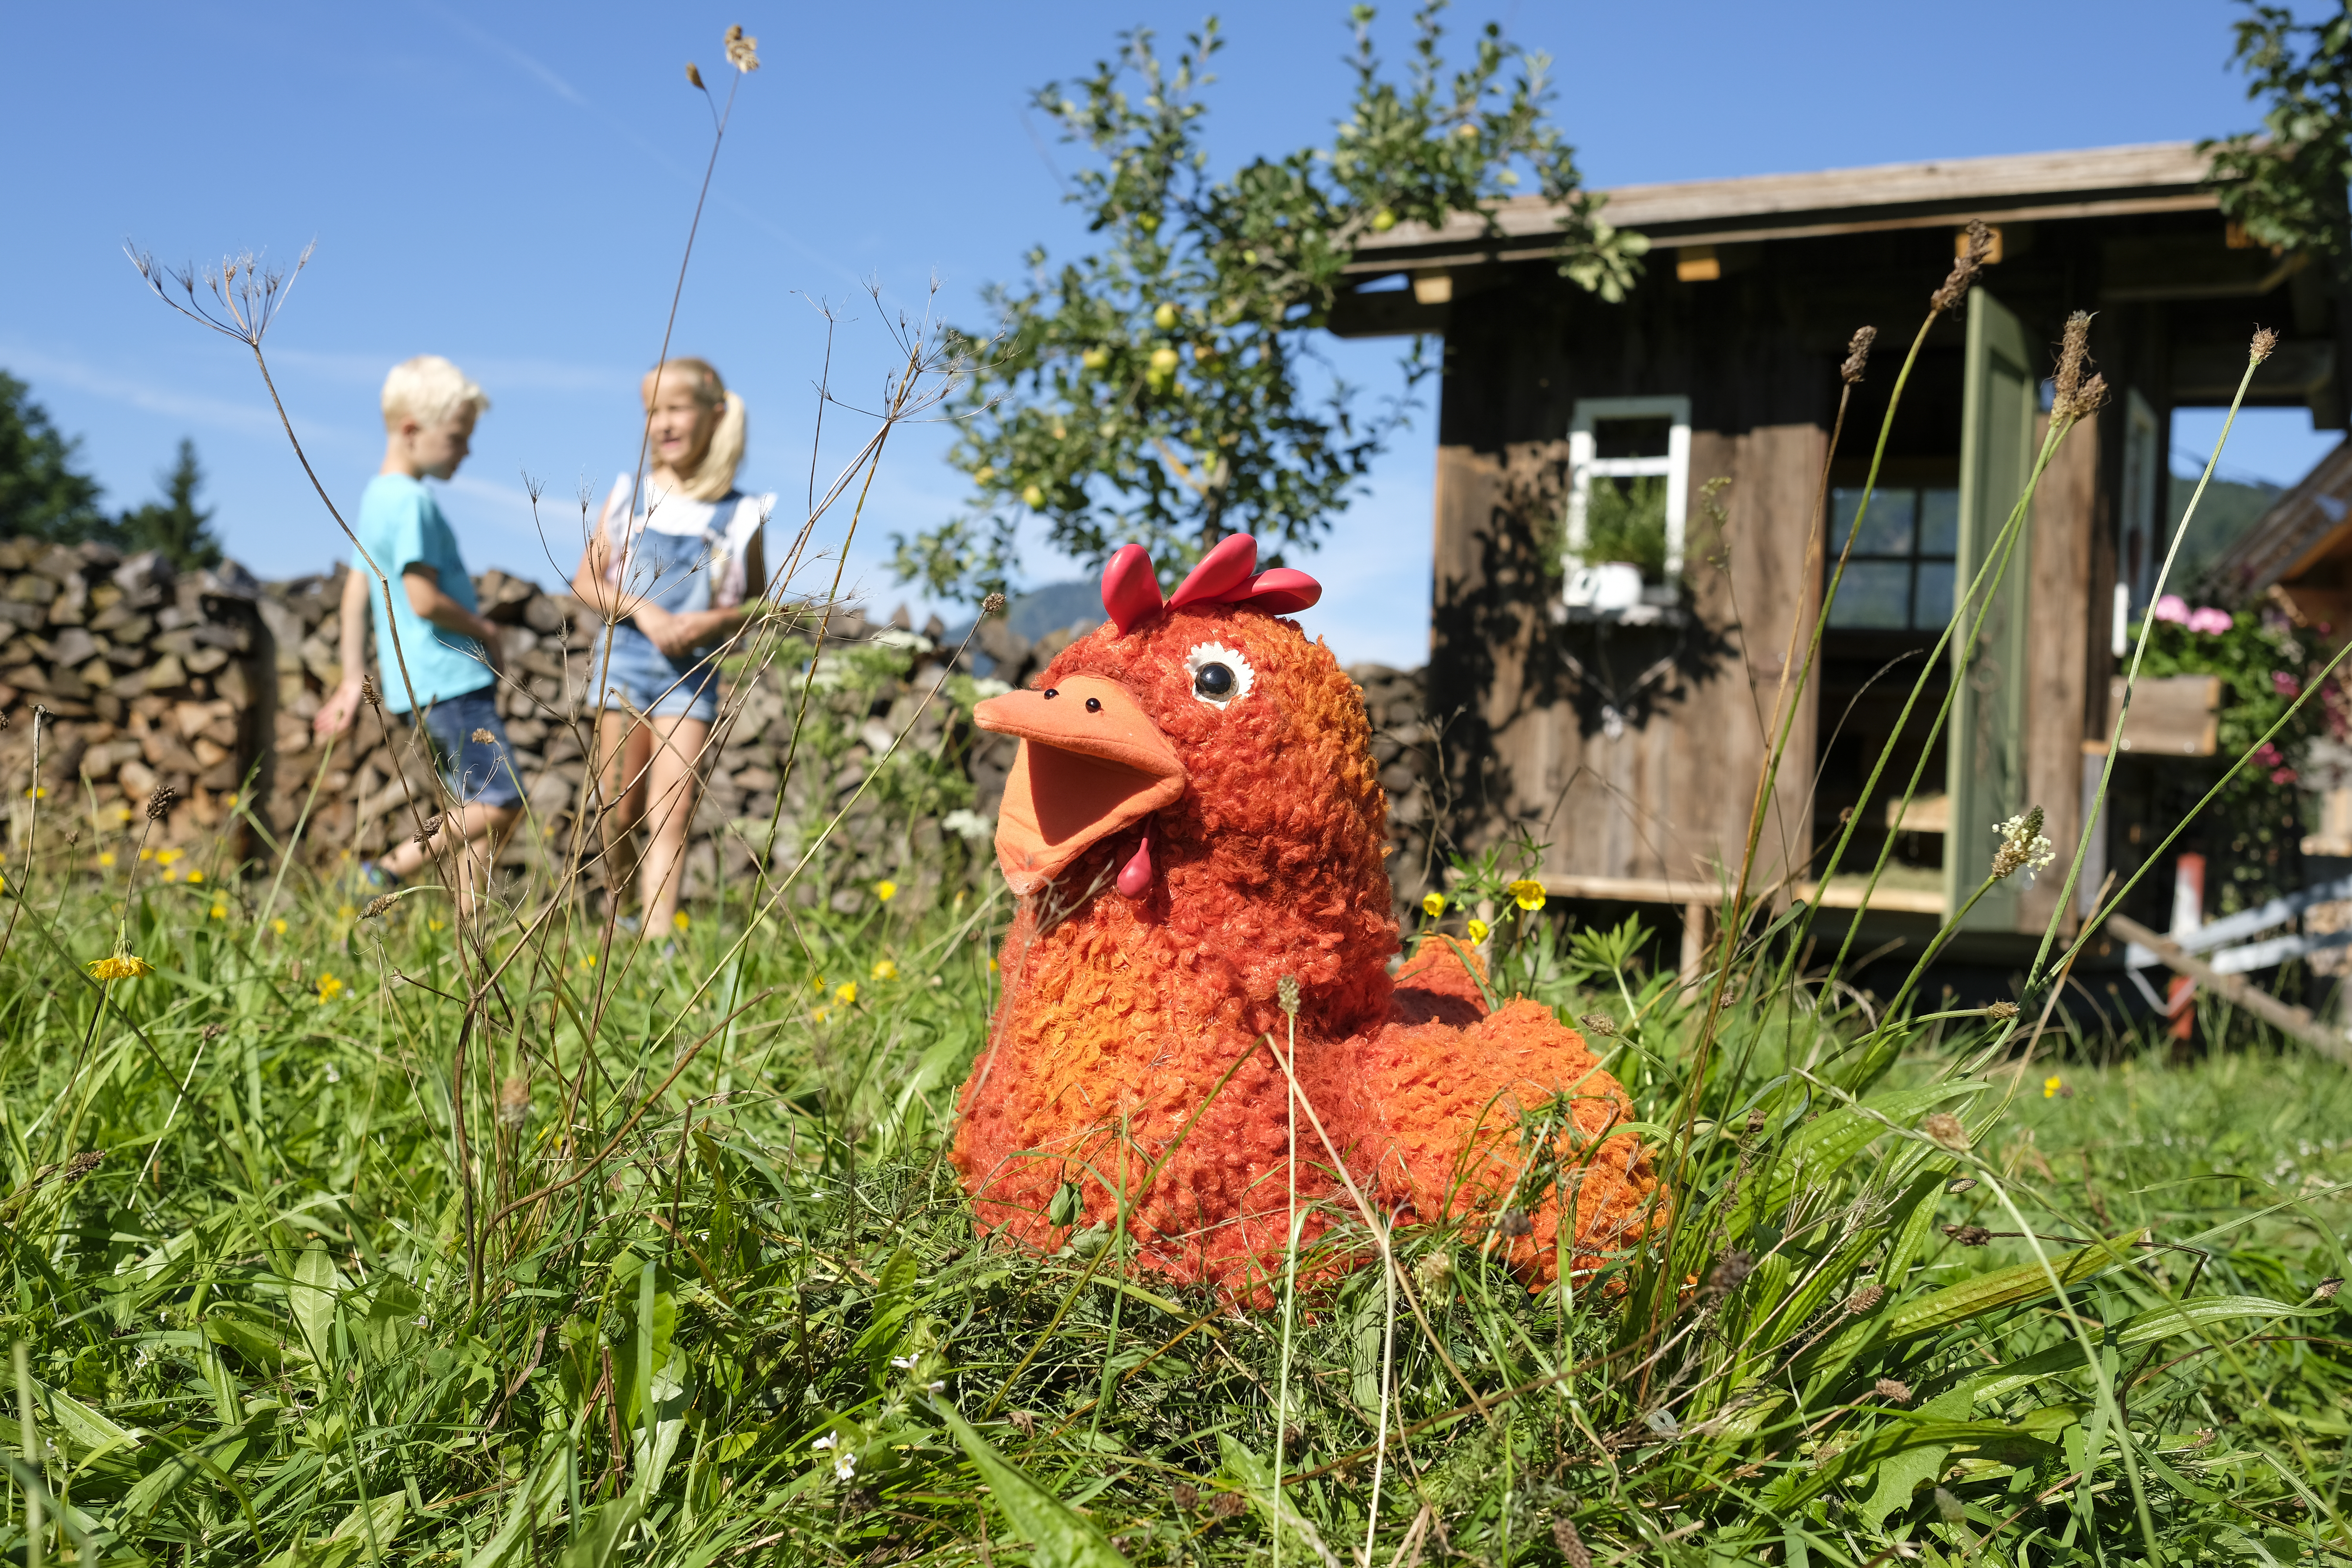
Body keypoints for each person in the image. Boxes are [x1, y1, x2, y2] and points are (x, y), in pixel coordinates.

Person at [570, 357, 770, 936]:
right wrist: (644, 609)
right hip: (625, 662)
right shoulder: (630, 495)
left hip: (692, 672)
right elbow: (586, 582)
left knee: (672, 810)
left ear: (716, 415)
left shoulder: (743, 514)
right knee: (617, 806)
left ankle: (657, 940)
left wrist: (708, 623)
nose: (662, 423)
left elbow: (755, 603)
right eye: (651, 411)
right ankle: (621, 913)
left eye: (676, 408)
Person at [315, 355, 521, 909]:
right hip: (451, 678)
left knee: (473, 806)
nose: (466, 450)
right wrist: (485, 630)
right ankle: (382, 872)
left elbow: (356, 593)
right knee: (502, 801)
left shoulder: (377, 496)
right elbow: (423, 599)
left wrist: (351, 679)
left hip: (421, 688)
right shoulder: (413, 502)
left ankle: (470, 927)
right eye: (457, 437)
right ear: (412, 430)